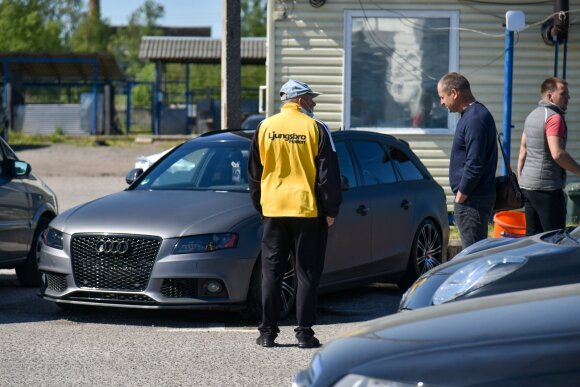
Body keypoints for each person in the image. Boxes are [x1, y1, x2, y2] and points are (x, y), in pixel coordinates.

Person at [247, 79, 342, 349]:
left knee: (272, 271)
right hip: (307, 210)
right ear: (299, 100)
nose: (313, 103)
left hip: (274, 209)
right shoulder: (316, 127)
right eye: (310, 98)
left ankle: (267, 333)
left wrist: (261, 205)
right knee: (307, 272)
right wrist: (331, 209)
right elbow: (328, 174)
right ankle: (304, 334)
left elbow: (254, 173)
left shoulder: (265, 127)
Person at [437, 72, 498, 248]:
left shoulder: (475, 119)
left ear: (454, 93)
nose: (441, 102)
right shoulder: (471, 115)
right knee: (473, 252)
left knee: (472, 256)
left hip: (472, 199)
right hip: (472, 198)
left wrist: (460, 196)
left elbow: (474, 163)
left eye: (443, 97)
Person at [517, 77, 580, 235]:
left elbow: (523, 149)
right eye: (563, 94)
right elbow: (557, 154)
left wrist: (521, 178)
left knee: (532, 238)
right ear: (550, 96)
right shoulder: (554, 118)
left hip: (528, 187)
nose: (568, 98)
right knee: (554, 239)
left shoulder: (532, 115)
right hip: (547, 189)